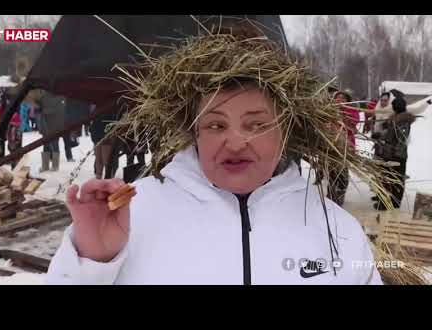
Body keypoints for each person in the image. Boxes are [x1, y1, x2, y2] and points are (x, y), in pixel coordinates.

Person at [47, 21, 382, 285]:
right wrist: (91, 263)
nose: (235, 143)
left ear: (286, 129)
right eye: (216, 126)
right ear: (194, 130)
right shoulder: (136, 214)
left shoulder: (336, 230)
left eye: (256, 125)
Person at [373, 97, 415, 211]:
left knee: (395, 179)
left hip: (397, 155)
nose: (396, 106)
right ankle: (387, 200)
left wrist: (395, 154)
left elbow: (401, 139)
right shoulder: (395, 119)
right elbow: (391, 134)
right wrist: (379, 135)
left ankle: (393, 203)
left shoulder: (404, 120)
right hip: (389, 153)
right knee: (388, 177)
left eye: (398, 104)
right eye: (395, 104)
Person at [326, 90, 359, 206]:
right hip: (331, 145)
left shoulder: (351, 110)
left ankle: (340, 193)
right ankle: (331, 195)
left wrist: (343, 114)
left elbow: (354, 121)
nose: (340, 100)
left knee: (342, 171)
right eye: (338, 97)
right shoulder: (330, 110)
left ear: (348, 100)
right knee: (331, 172)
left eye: (343, 98)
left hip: (345, 146)